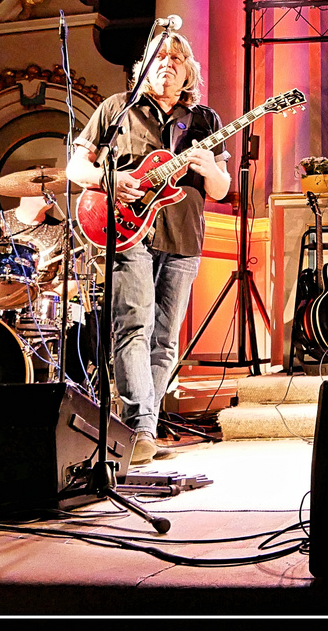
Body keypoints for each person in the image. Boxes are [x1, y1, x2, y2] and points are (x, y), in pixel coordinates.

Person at [67, 29, 230, 465]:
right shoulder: (115, 110)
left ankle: (144, 427)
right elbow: (74, 165)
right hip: (126, 232)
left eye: (177, 58)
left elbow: (219, 189)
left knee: (165, 339)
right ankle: (139, 427)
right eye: (160, 55)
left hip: (183, 235)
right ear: (144, 65)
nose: (167, 63)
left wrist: (210, 167)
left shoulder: (204, 121)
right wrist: (110, 179)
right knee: (133, 325)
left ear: (188, 73)